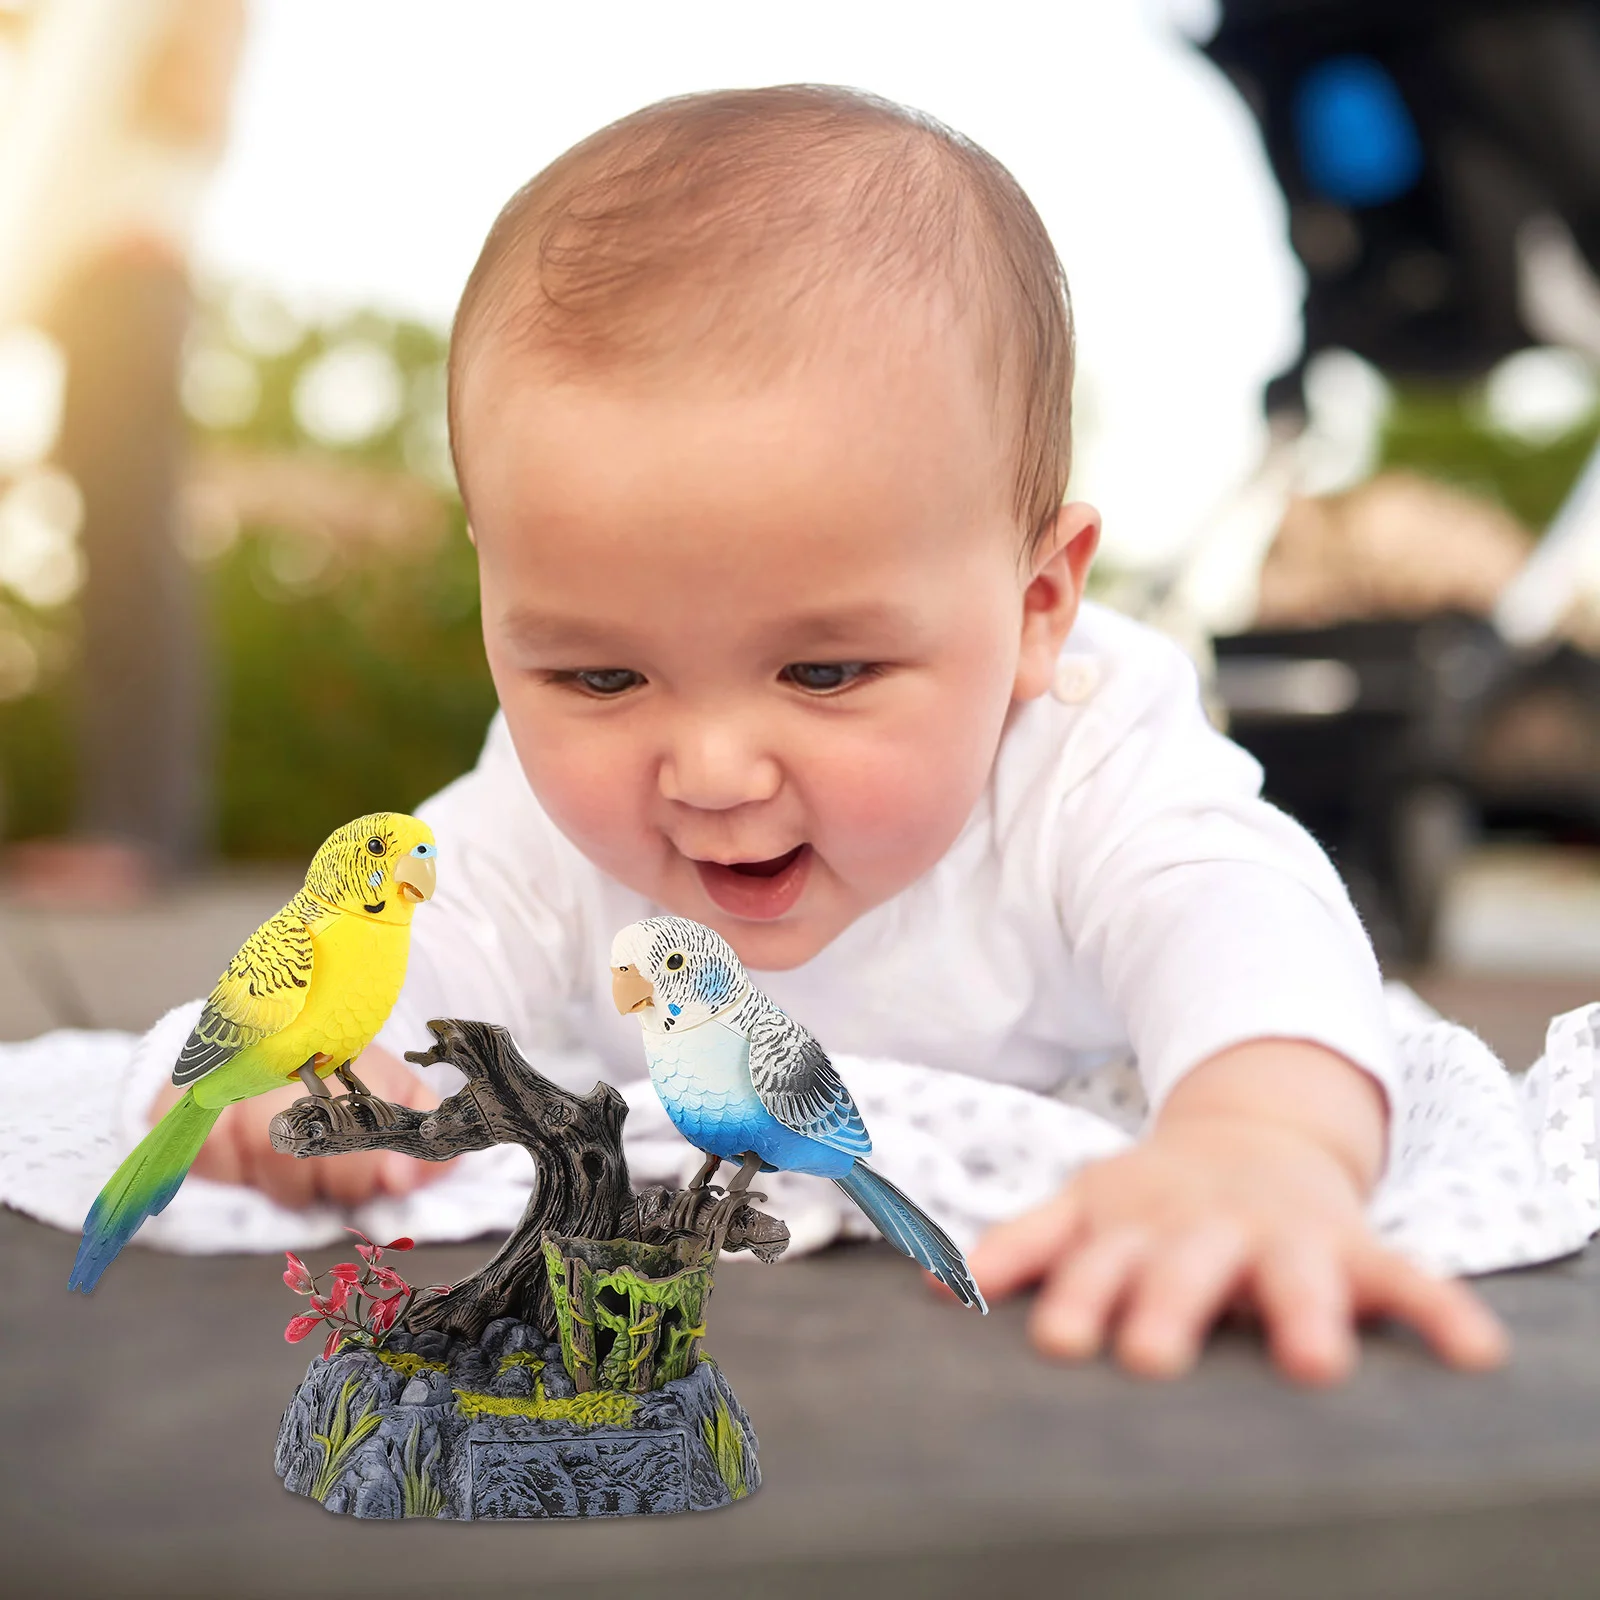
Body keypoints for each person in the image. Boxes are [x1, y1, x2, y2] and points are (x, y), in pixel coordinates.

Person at [148, 85, 1507, 1384]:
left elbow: (1242, 918)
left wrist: (1256, 1143)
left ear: (1036, 606)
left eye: (825, 669)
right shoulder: (538, 820)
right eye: (601, 677)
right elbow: (382, 949)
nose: (712, 772)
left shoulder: (1086, 759)